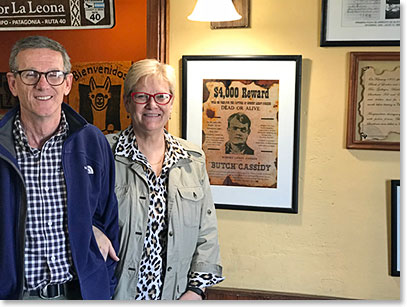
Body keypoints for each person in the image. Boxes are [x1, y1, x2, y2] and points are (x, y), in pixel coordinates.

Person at [0, 36, 119, 300]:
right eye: (30, 74)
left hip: (79, 294)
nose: (43, 84)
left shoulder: (92, 141)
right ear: (13, 83)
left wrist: (101, 288)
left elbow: (107, 219)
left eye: (54, 74)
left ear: (67, 83)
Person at [96, 59, 224, 300]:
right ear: (127, 102)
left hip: (175, 296)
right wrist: (93, 229)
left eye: (161, 96)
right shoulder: (103, 153)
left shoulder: (192, 159)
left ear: (172, 102)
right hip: (114, 294)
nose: (152, 105)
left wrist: (196, 291)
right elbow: (80, 215)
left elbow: (206, 231)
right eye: (142, 96)